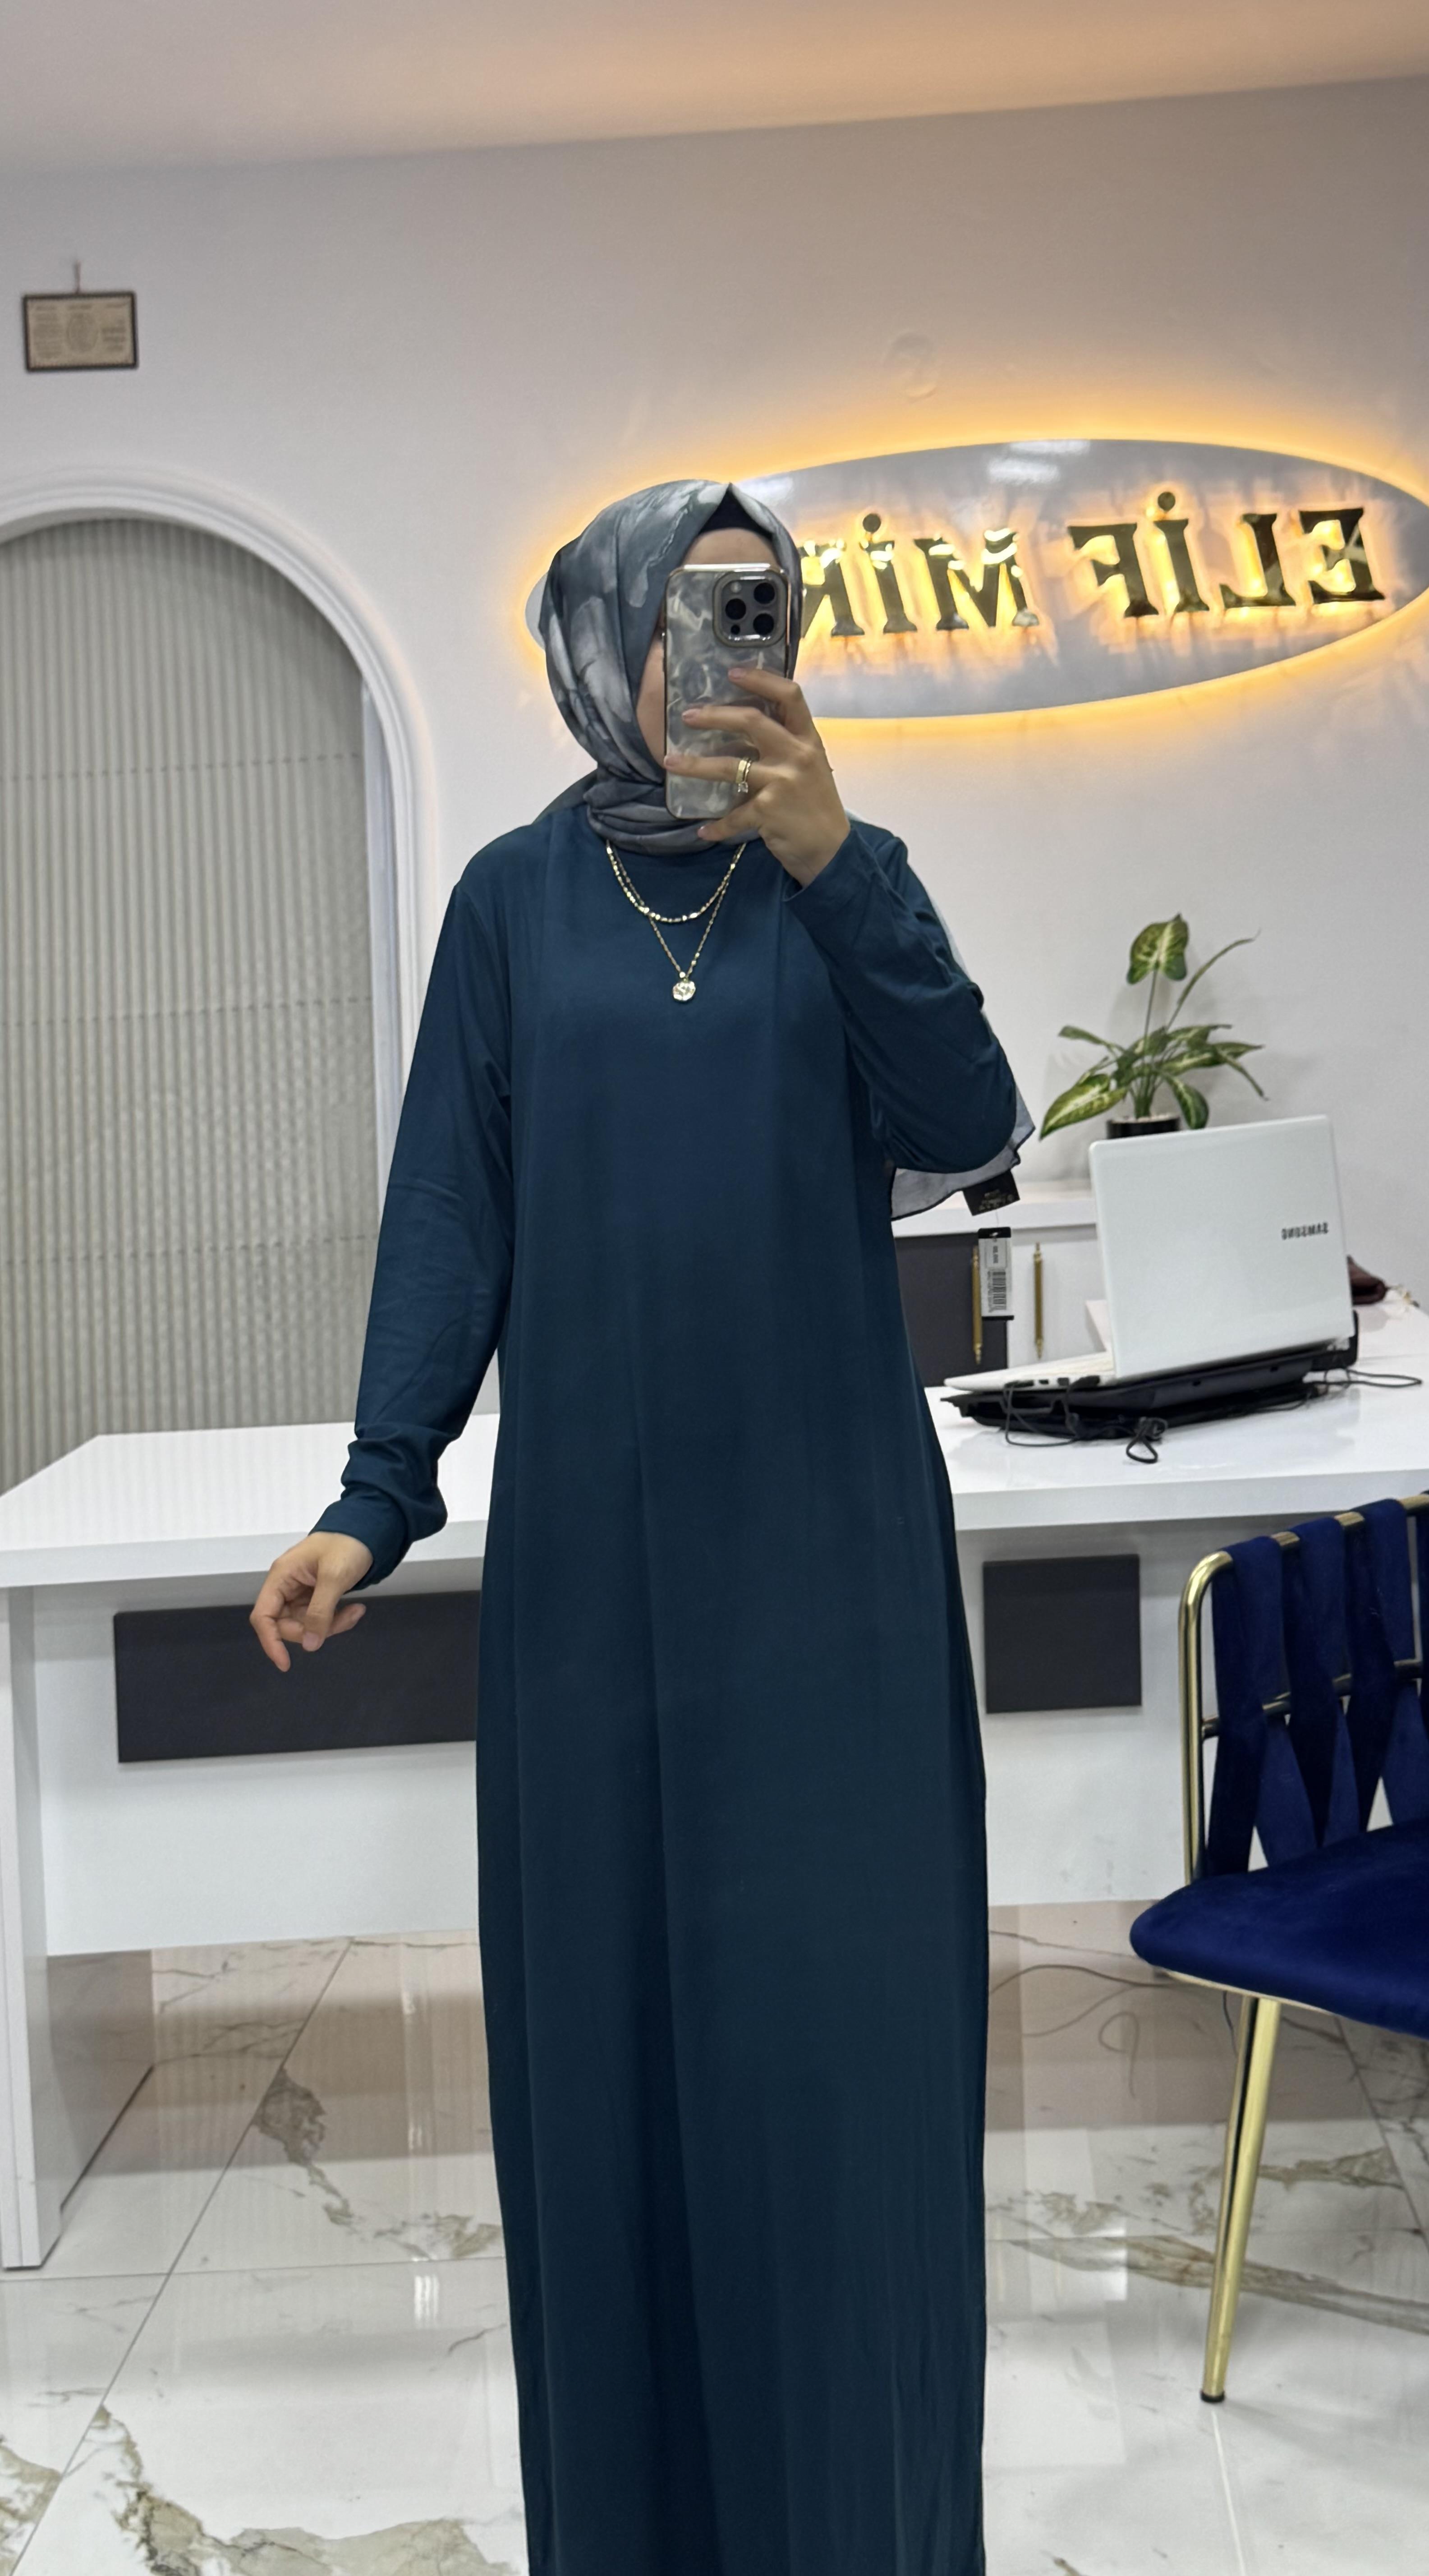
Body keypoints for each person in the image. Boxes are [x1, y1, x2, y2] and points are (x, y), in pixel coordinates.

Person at [251, 478, 1029, 2576]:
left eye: (760, 613)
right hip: (592, 1586)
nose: (724, 655)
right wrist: (377, 1492)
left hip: (829, 1577)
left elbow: (970, 1126)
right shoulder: (513, 906)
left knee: (835, 2088)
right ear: (604, 639)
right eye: (689, 614)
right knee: (614, 2081)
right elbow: (452, 1213)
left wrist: (837, 864)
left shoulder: (847, 876)